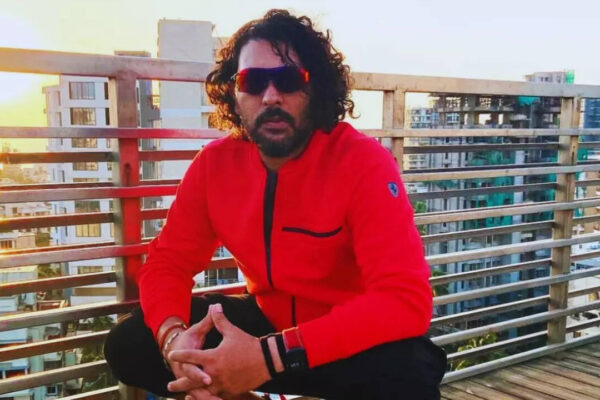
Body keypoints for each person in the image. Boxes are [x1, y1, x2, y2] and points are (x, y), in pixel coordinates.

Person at [104, 9, 446, 400]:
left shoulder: (362, 162)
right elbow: (168, 263)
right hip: (265, 324)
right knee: (130, 343)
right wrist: (174, 341)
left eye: (288, 80)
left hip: (343, 341)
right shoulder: (215, 164)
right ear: (234, 94)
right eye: (252, 82)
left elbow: (405, 300)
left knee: (410, 376)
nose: (270, 96)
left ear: (315, 90)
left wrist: (270, 357)